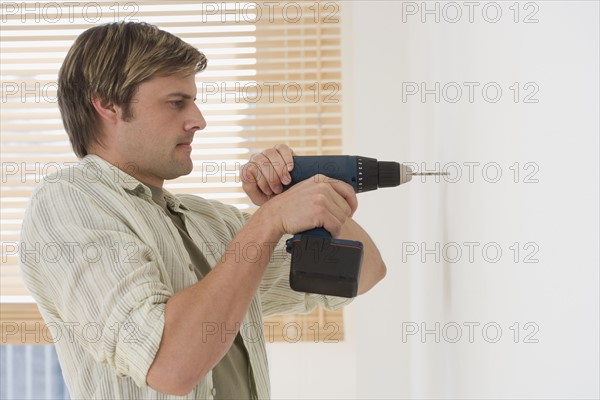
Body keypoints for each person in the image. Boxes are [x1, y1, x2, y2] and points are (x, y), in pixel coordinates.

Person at [20, 21, 386, 399]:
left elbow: (365, 272)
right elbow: (169, 365)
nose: (198, 120)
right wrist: (270, 220)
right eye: (176, 102)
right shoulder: (70, 205)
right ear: (107, 104)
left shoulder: (210, 223)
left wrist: (307, 199)